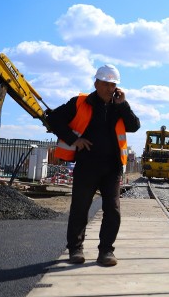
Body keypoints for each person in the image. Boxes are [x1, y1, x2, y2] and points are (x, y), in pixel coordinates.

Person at [47, 64, 140, 266]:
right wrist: (74, 139)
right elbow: (53, 118)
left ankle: (106, 251)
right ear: (96, 83)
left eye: (112, 84)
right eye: (105, 83)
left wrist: (123, 104)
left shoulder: (119, 106)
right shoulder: (80, 103)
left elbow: (134, 126)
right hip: (87, 164)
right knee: (80, 208)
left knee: (113, 210)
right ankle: (76, 249)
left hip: (112, 167)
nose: (109, 88)